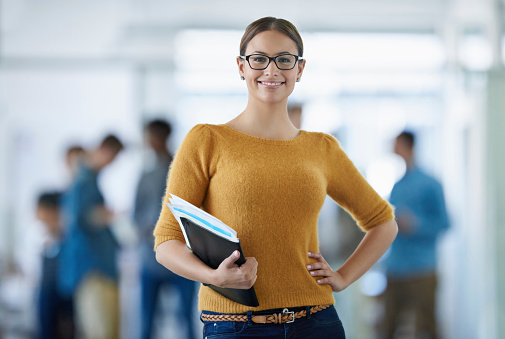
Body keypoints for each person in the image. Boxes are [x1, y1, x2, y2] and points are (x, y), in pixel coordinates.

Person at [154, 17, 398, 339]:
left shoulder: (321, 148)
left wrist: (342, 277)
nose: (271, 71)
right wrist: (215, 276)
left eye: (284, 60)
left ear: (300, 69)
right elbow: (166, 242)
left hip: (316, 322)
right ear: (241, 67)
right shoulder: (206, 141)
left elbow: (383, 223)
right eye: (259, 59)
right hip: (235, 326)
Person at [378, 131, 449, 339]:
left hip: (422, 270)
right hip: (395, 268)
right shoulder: (398, 186)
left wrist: (416, 224)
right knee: (387, 327)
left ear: (407, 146)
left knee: (428, 326)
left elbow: (444, 223)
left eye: (396, 144)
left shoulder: (431, 183)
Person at [133, 120, 196, 339]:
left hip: (182, 256)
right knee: (147, 320)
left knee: (186, 318)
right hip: (151, 258)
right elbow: (136, 215)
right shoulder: (147, 174)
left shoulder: (184, 169)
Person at [59, 134, 124, 339]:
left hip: (97, 266)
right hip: (93, 269)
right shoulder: (82, 181)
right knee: (101, 331)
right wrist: (104, 216)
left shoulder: (90, 181)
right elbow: (78, 220)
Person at [35, 191, 75, 339]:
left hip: (64, 293)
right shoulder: (41, 235)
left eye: (40, 210)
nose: (37, 215)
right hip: (46, 290)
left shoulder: (69, 235)